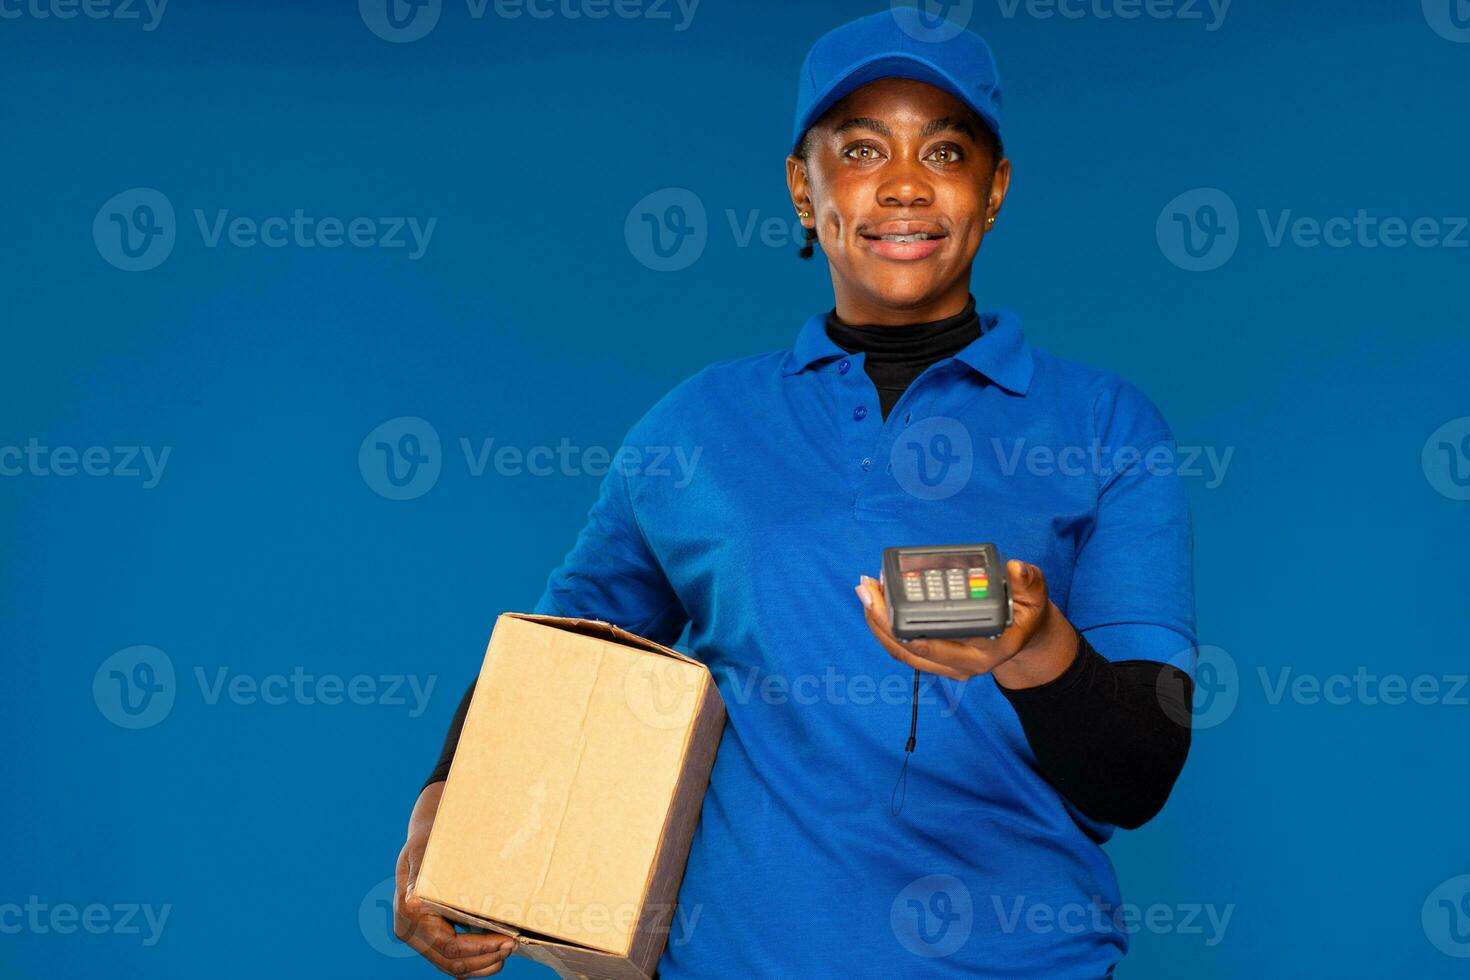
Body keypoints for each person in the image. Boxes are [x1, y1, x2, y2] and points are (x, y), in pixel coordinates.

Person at [392, 9, 1196, 978]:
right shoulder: (696, 427)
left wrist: (1035, 646)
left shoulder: (1108, 425)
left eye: (945, 149)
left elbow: (1141, 769)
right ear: (803, 189)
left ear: (993, 193)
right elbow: (562, 652)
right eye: (861, 148)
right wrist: (447, 792)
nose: (903, 182)